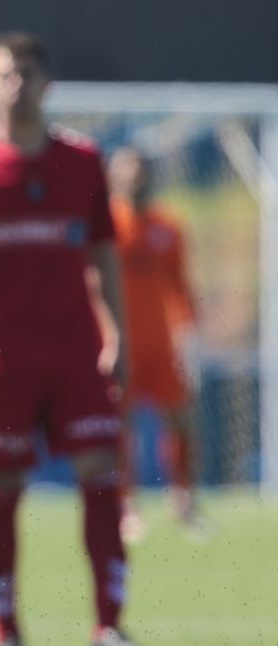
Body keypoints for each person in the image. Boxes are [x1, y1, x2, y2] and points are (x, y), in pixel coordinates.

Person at [0, 30, 144, 646]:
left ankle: (109, 629)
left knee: (102, 477)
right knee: (4, 484)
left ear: (47, 84)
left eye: (25, 75)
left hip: (74, 352)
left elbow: (102, 252)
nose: (15, 86)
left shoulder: (82, 163)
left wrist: (117, 332)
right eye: (3, 75)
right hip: (0, 359)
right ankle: (6, 633)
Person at [106, 146, 205, 541]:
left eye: (142, 169)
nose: (136, 177)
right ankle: (125, 505)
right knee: (120, 425)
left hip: (161, 345)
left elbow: (181, 287)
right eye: (128, 170)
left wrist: (190, 339)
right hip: (117, 344)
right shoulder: (104, 226)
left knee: (180, 418)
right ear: (114, 176)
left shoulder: (168, 227)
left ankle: (182, 500)